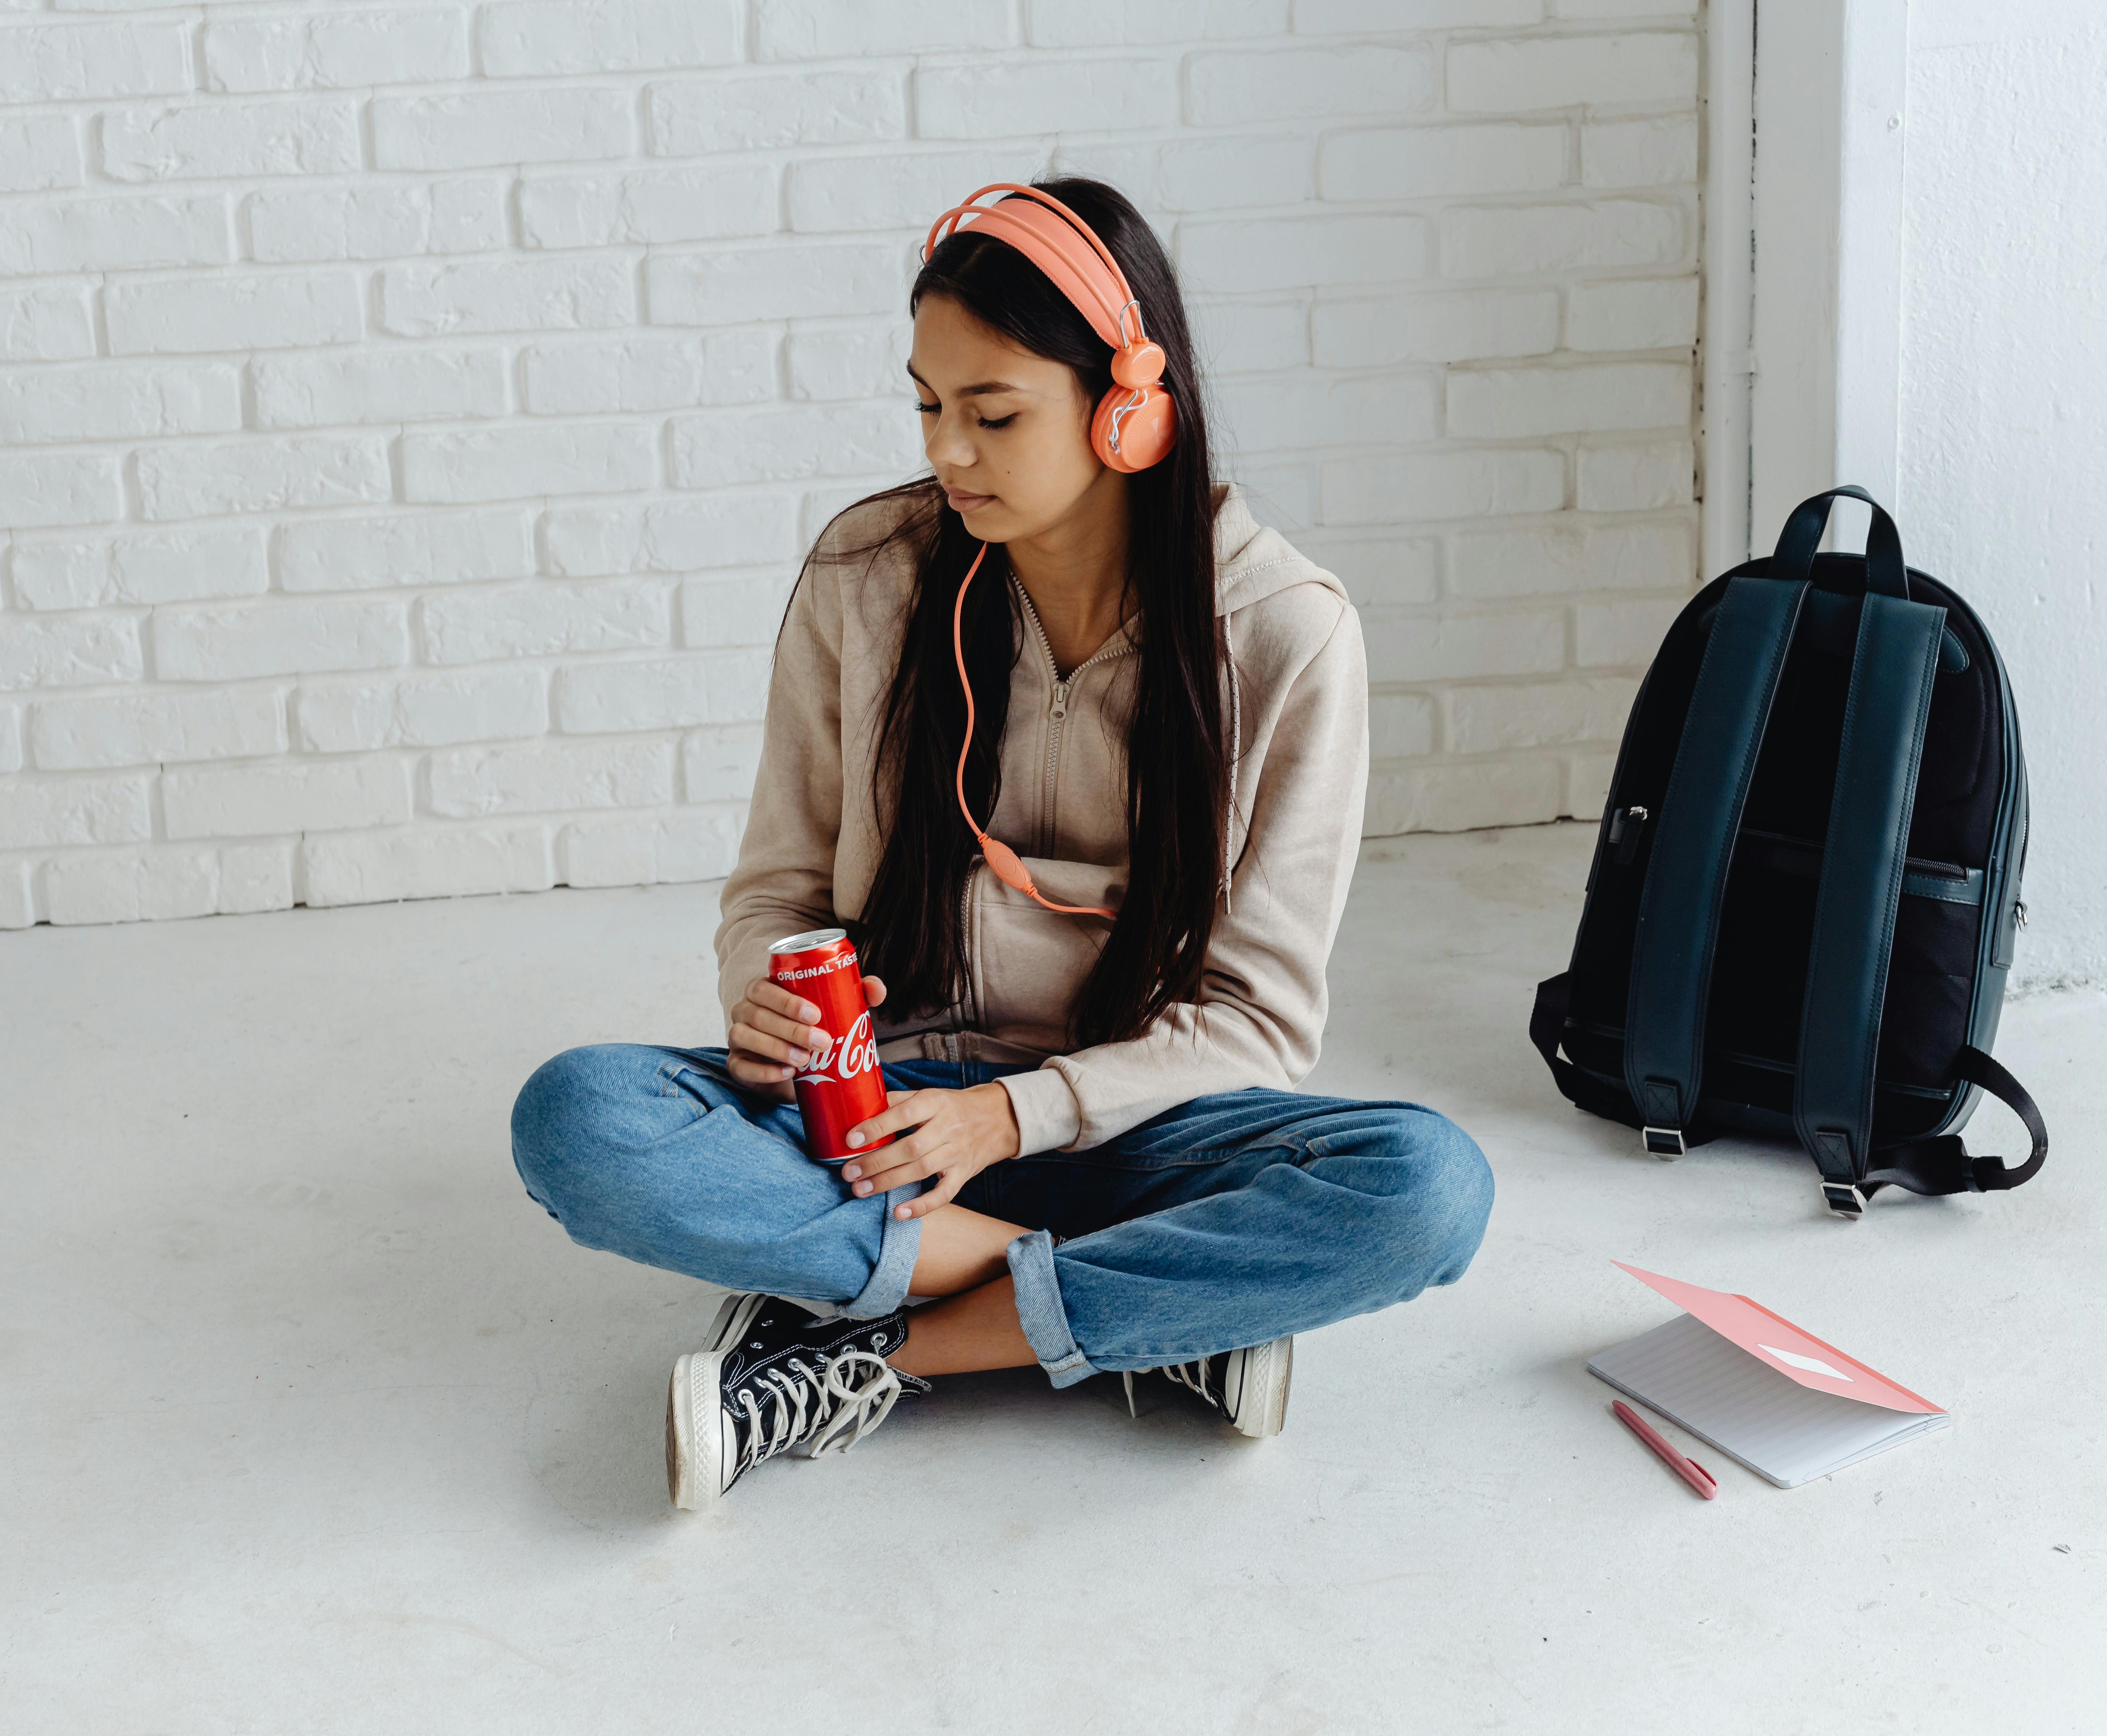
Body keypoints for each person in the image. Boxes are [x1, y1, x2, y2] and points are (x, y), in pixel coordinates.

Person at [510, 178, 1495, 1512]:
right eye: (928, 406)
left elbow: (1258, 1021)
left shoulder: (1286, 634)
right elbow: (781, 883)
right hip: (877, 1113)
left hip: (1136, 1116)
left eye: (993, 414)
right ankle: (1142, 1304)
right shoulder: (870, 574)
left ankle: (876, 1345)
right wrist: (766, 996)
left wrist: (1015, 1116)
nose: (949, 455)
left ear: (1127, 407)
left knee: (1428, 1190)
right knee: (579, 1116)